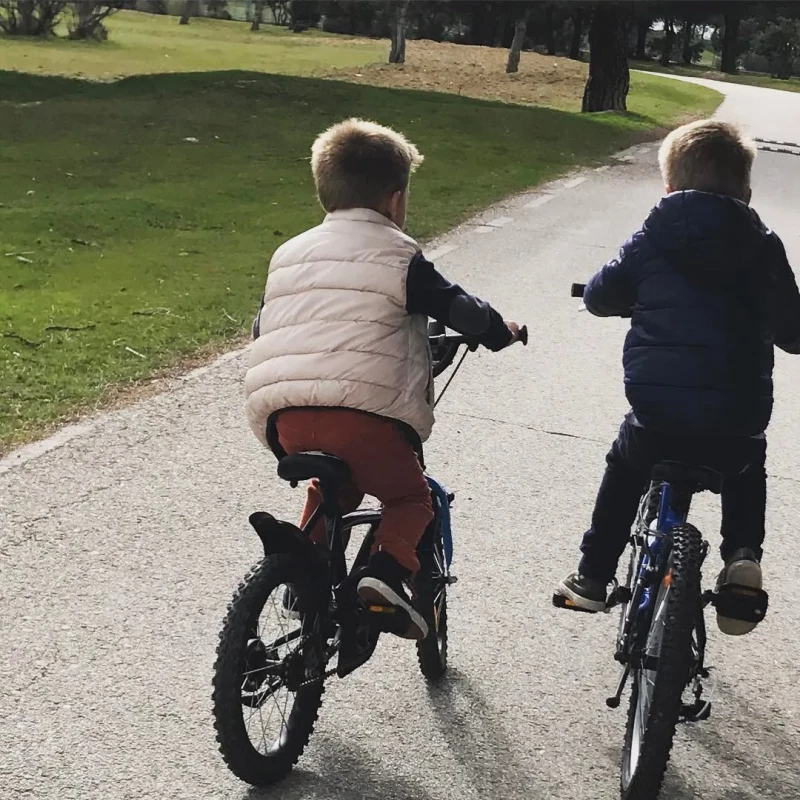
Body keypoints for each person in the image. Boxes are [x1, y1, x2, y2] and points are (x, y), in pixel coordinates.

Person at [245, 118, 522, 640]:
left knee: (334, 486)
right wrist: (499, 331)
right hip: (364, 421)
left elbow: (265, 326)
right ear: (395, 202)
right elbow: (461, 310)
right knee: (409, 498)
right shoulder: (400, 255)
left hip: (282, 419)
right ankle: (386, 575)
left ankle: (304, 570)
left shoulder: (286, 255)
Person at [555, 119, 800, 635]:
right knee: (746, 458)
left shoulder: (649, 239)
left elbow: (602, 297)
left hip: (658, 418)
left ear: (669, 187)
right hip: (735, 417)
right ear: (747, 192)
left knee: (625, 465)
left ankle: (595, 575)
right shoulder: (764, 246)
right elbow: (792, 332)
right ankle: (741, 556)